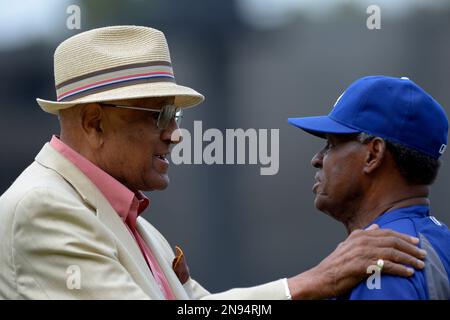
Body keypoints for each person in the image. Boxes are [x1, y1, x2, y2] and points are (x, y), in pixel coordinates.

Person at [0, 26, 425, 300]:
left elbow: (203, 308)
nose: (175, 133)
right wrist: (312, 282)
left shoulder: (129, 217)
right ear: (93, 122)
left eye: (175, 116)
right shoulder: (44, 207)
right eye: (159, 116)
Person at [289, 75, 450, 299]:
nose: (317, 158)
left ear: (373, 154)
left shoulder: (386, 258)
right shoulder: (441, 241)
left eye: (331, 144)